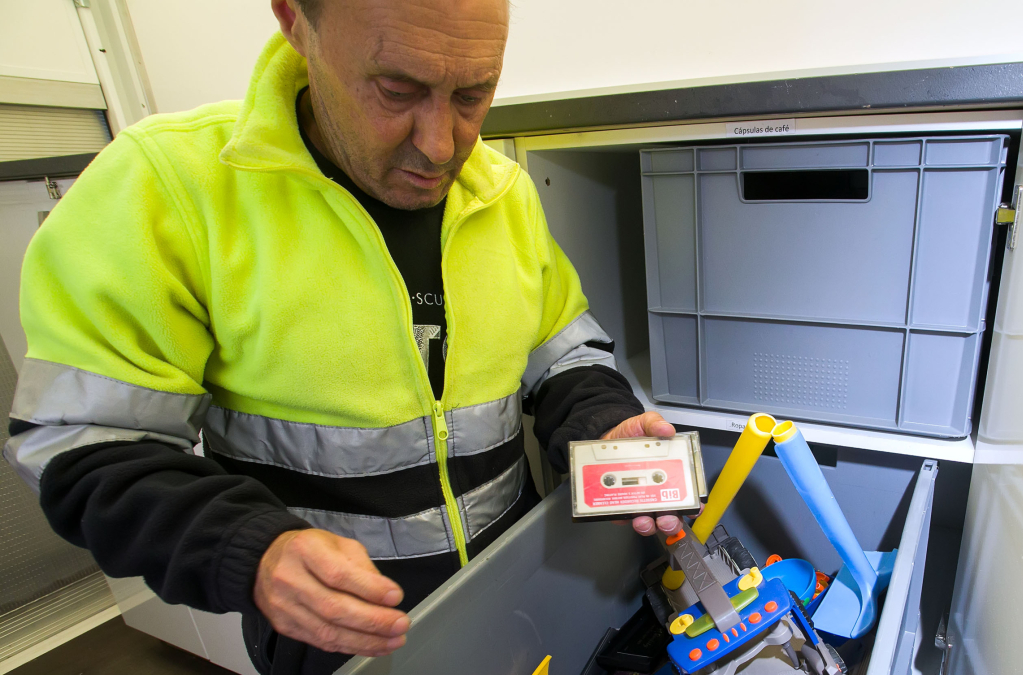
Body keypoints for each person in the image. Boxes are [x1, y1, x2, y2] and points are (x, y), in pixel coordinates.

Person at [3, 0, 682, 672]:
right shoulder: (167, 189)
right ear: (295, 20)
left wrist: (602, 417)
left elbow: (562, 347)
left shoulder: (502, 191)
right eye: (397, 90)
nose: (441, 144)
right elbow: (85, 441)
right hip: (339, 646)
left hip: (514, 596)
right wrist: (249, 547)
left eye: (473, 94)